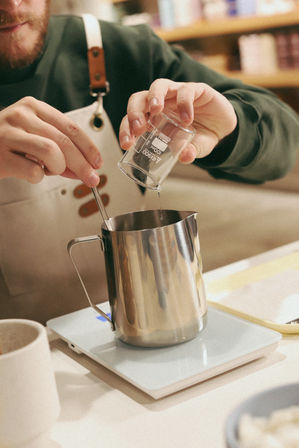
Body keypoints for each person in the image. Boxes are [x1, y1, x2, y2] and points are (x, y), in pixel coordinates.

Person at [0, 0, 298, 323]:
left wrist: (232, 127)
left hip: (134, 322)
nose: (12, 5)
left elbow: (286, 142)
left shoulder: (113, 48)